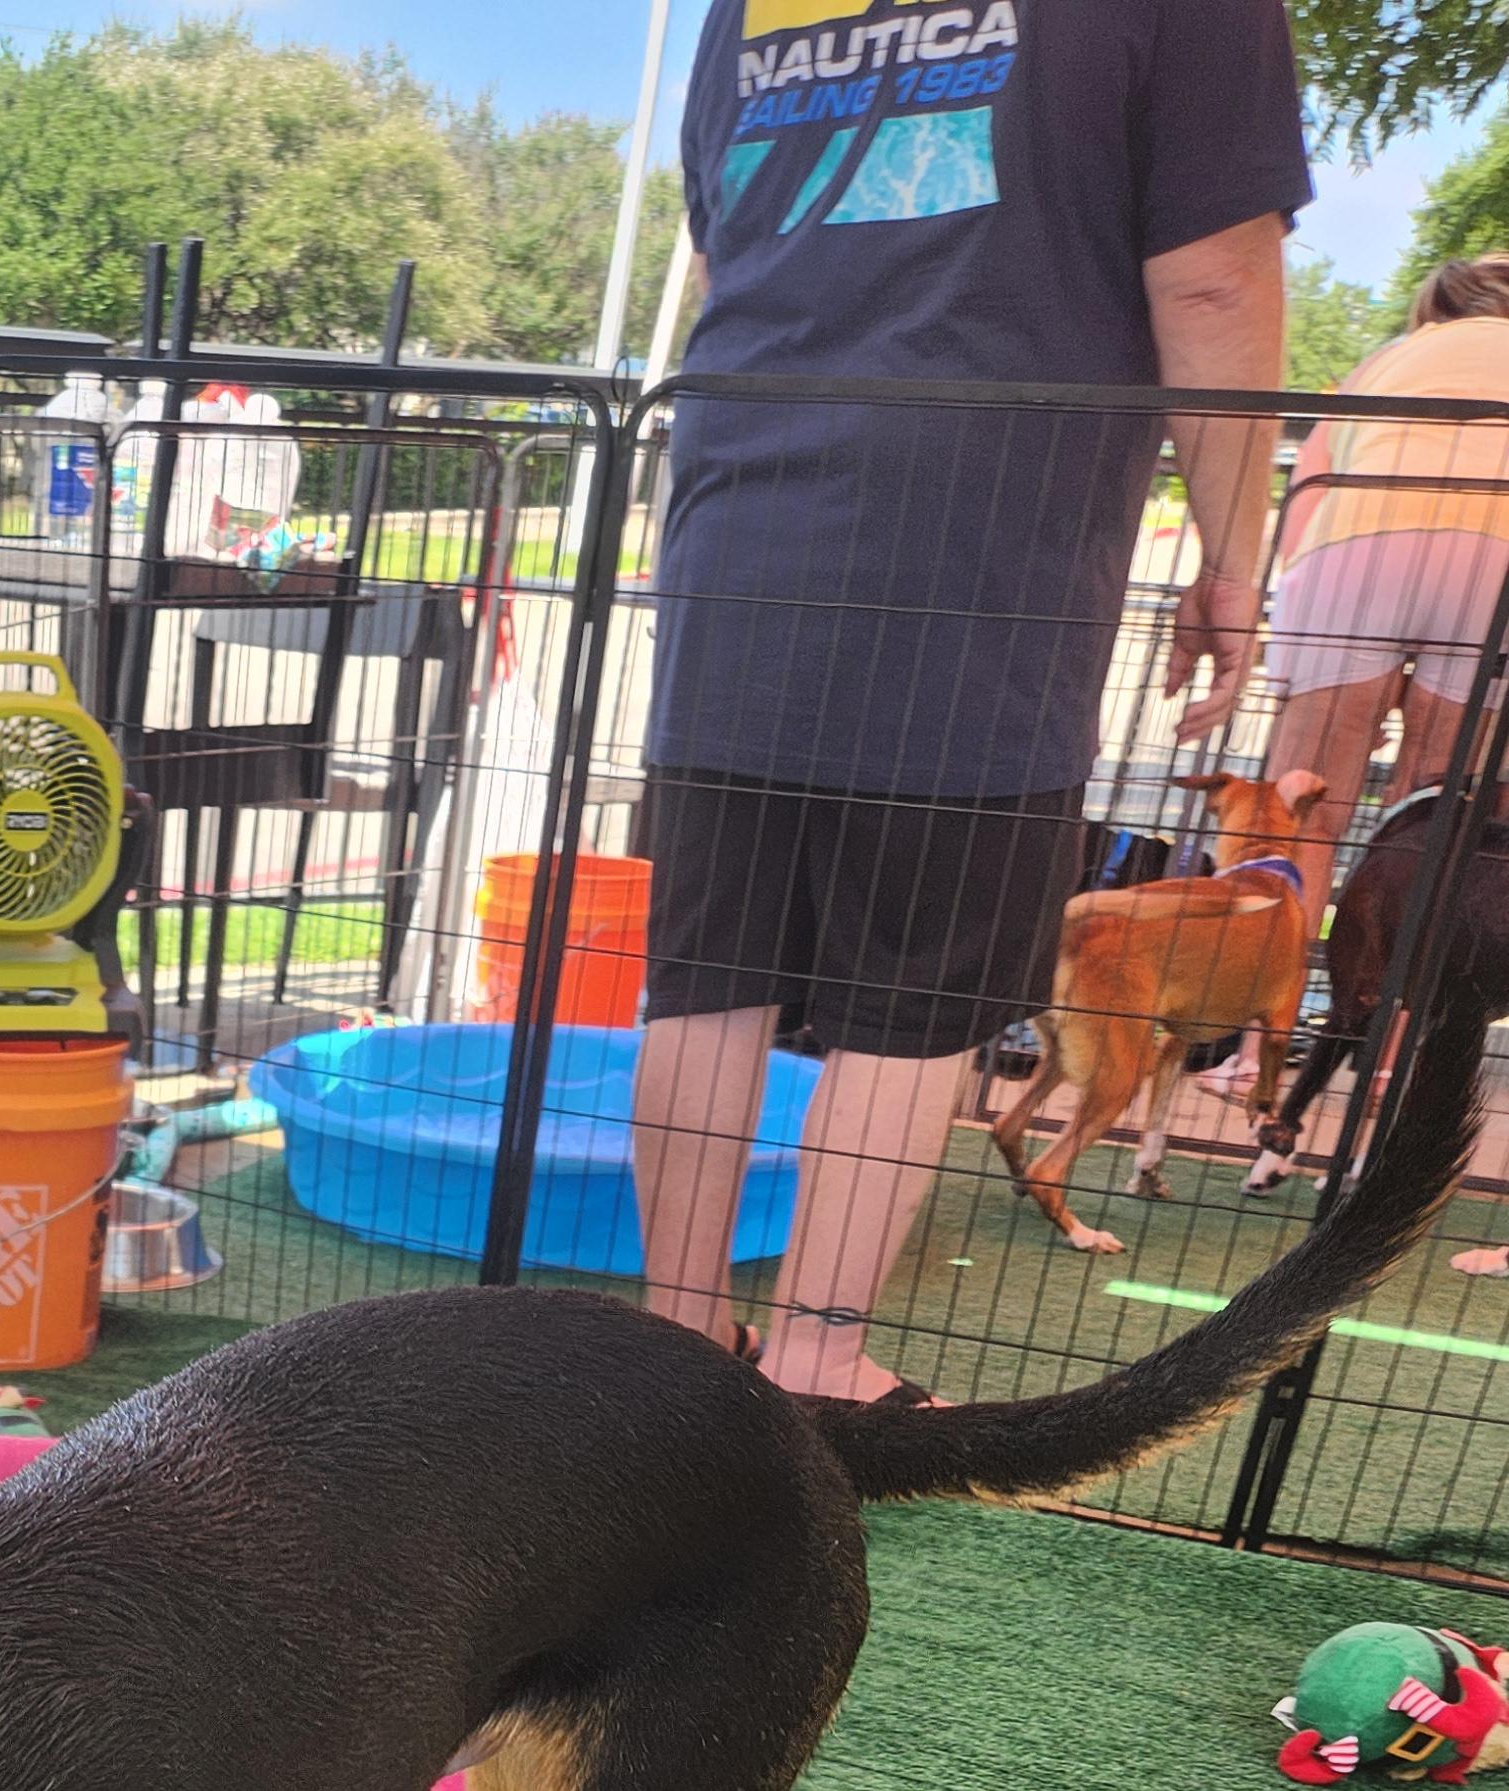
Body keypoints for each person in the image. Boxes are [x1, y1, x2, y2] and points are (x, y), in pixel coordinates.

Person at [628, 0, 1309, 1403]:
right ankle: (817, 1358)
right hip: (988, 541)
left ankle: (678, 1342)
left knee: (710, 971)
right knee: (918, 990)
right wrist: (1235, 559)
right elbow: (1215, 282)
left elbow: (720, 248)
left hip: (741, 521)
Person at [1261, 257, 1509, 932]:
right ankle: (1396, 990)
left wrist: (1323, 655)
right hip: (1495, 556)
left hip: (1358, 544)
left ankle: (1269, 992)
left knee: (1306, 805)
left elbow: (1309, 491)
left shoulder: (1390, 358)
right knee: (1438, 808)